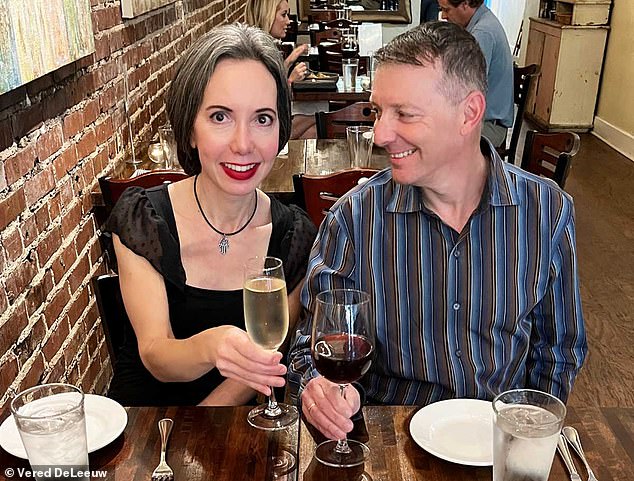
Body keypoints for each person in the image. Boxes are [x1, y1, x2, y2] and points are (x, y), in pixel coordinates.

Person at [288, 21, 586, 442]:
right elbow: (307, 349)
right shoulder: (354, 219)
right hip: (388, 440)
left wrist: (528, 432)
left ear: (469, 113)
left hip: (498, 440)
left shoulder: (546, 211)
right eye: (377, 112)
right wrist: (317, 393)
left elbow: (559, 349)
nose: (380, 135)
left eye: (404, 114)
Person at [105, 23, 317, 406]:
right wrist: (213, 345)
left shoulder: (296, 236)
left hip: (232, 430)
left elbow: (264, 365)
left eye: (262, 119)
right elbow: (155, 354)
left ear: (280, 130)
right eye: (220, 117)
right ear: (190, 129)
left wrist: (200, 440)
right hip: (144, 428)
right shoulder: (144, 220)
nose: (243, 144)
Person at [438, 0, 513, 149]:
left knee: (434, 141)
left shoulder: (482, 33)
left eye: (447, 10)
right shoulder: (481, 22)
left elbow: (466, 87)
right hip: (483, 119)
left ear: (465, 3)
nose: (443, 16)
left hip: (489, 126)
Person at [245, 0, 316, 139]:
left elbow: (271, 79)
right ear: (268, 16)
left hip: (269, 124)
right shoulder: (255, 53)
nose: (288, 21)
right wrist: (290, 81)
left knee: (313, 131)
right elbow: (273, 103)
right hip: (264, 131)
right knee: (323, 120)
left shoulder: (262, 46)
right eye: (283, 15)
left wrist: (289, 60)